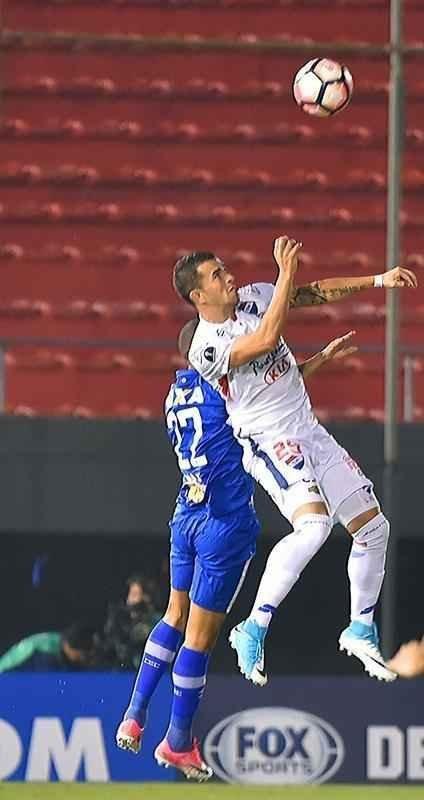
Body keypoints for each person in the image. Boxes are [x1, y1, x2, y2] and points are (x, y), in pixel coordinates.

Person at [115, 317, 356, 781]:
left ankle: (134, 711)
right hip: (224, 524)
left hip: (185, 511)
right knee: (199, 639)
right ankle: (178, 740)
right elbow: (267, 396)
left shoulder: (176, 392)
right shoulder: (222, 384)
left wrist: (319, 360)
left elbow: (258, 393)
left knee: (172, 616)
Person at [173, 236, 418, 686]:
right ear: (197, 296)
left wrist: (378, 279)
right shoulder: (205, 347)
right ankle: (253, 626)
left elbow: (313, 293)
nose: (228, 276)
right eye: (215, 275)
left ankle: (360, 627)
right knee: (315, 527)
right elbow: (266, 339)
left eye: (224, 268)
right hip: (270, 442)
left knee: (373, 527)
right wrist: (285, 273)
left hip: (308, 430)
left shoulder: (253, 298)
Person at [102, 574, 161, 669]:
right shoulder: (119, 619)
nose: (130, 599)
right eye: (130, 594)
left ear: (147, 597)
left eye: (135, 594)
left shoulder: (158, 621)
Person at [0, 622, 98, 671]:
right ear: (70, 648)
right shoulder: (46, 655)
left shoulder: (60, 640)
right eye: (83, 655)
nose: (83, 659)